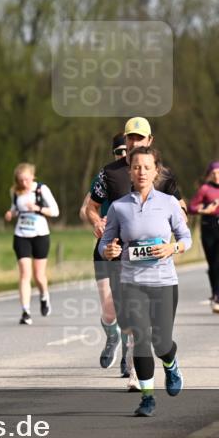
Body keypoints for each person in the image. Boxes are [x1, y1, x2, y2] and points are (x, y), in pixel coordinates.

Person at [85, 118, 186, 386]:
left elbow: (180, 207)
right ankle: (122, 350)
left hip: (153, 261)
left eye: (140, 139)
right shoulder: (109, 173)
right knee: (120, 314)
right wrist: (97, 222)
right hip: (116, 252)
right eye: (130, 138)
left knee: (142, 325)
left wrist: (174, 236)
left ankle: (135, 374)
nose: (134, 143)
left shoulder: (161, 174)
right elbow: (91, 206)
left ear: (149, 141)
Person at [99, 147, 191, 417]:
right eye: (136, 167)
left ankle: (171, 365)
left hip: (163, 282)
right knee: (140, 338)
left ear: (155, 171)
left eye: (146, 167)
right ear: (129, 171)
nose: (141, 172)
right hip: (132, 282)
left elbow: (186, 238)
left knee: (161, 343)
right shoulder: (119, 207)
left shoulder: (168, 203)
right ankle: (148, 398)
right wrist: (110, 251)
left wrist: (172, 248)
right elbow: (107, 241)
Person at [79, 133, 127, 372]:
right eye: (119, 151)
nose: (124, 154)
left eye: (126, 149)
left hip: (131, 248)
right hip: (105, 245)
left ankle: (129, 356)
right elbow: (86, 209)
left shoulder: (144, 173)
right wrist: (97, 222)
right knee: (109, 310)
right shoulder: (107, 175)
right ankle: (112, 336)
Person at [4, 162, 60, 324]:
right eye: (21, 180)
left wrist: (38, 208)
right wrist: (10, 213)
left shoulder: (41, 189)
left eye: (27, 180)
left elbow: (55, 211)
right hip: (21, 234)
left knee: (39, 276)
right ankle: (26, 312)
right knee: (24, 274)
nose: (24, 183)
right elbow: (15, 207)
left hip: (40, 235)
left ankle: (44, 296)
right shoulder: (15, 191)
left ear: (32, 177)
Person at [188, 160, 219, 314]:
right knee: (212, 265)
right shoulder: (204, 189)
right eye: (213, 173)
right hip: (209, 226)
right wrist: (204, 210)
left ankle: (218, 299)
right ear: (209, 175)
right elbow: (191, 207)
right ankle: (215, 292)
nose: (216, 175)